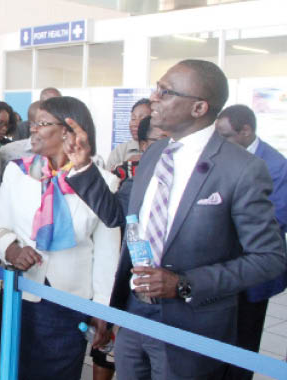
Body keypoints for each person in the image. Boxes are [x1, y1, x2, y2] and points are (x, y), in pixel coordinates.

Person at [61, 60, 286, 379]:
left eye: (164, 92)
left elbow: (269, 259)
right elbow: (120, 216)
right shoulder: (154, 154)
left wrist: (183, 283)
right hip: (134, 313)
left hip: (191, 324)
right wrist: (82, 166)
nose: (153, 98)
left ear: (198, 107)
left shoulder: (242, 169)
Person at [0, 96, 121, 380]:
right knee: (12, 370)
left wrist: (102, 309)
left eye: (42, 124)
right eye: (32, 122)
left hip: (69, 304)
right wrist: (12, 250)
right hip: (19, 296)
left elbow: (107, 256)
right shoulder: (18, 173)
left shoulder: (103, 183)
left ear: (68, 130)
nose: (32, 129)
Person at [214, 104, 287, 380]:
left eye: (226, 136)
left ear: (246, 131)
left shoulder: (278, 167)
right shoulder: (225, 157)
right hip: (220, 270)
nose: (220, 142)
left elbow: (275, 220)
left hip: (254, 274)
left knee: (245, 339)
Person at [106, 98, 151, 171]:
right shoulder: (120, 151)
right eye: (133, 119)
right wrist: (125, 166)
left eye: (142, 118)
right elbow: (107, 180)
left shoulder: (160, 148)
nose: (135, 124)